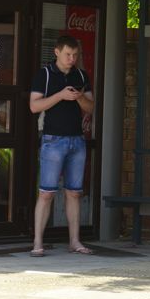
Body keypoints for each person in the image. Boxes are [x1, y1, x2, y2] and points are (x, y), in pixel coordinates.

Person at [29, 35, 95, 256]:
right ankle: (37, 242)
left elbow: (90, 108)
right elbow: (34, 106)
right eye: (68, 54)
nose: (71, 58)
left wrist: (77, 97)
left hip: (77, 140)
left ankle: (75, 241)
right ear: (57, 52)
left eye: (75, 55)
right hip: (53, 140)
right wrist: (60, 95)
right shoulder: (45, 74)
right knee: (46, 193)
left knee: (74, 193)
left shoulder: (81, 75)